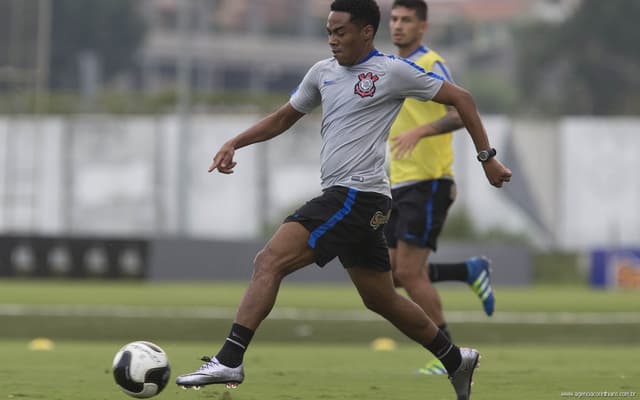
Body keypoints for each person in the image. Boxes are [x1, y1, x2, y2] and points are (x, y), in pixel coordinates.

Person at [175, 0, 511, 399]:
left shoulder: (392, 71)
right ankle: (457, 360)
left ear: (366, 32)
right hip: (359, 200)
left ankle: (230, 357)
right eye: (329, 33)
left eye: (341, 32)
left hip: (356, 195)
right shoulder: (323, 73)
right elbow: (284, 117)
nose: (333, 40)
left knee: (270, 261)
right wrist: (236, 142)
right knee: (381, 298)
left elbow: (463, 99)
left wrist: (487, 159)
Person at [385, 0, 495, 376]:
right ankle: (468, 271)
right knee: (390, 274)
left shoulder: (432, 62)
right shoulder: (391, 67)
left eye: (406, 20)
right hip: (399, 182)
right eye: (394, 19)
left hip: (428, 180)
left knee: (410, 274)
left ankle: (449, 356)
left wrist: (422, 129)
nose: (398, 25)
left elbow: (460, 110)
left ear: (423, 26)